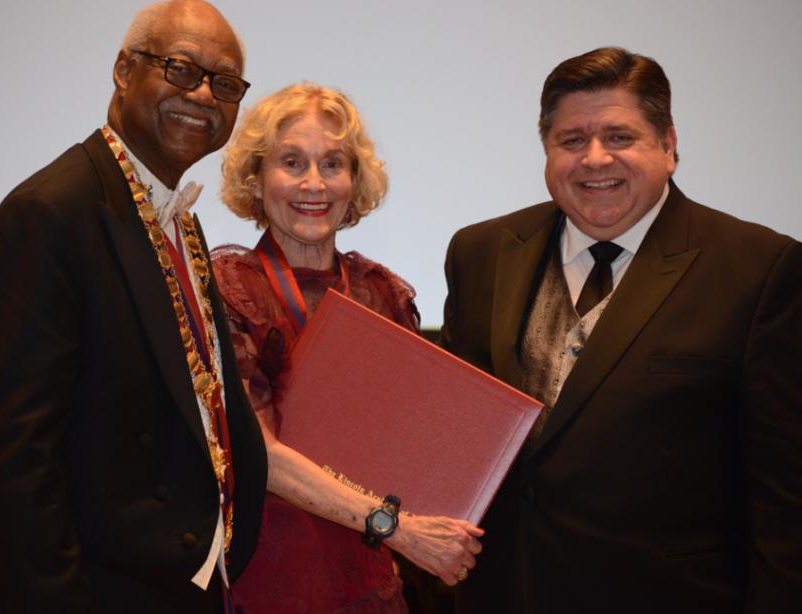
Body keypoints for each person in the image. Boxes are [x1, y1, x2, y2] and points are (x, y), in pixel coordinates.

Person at [442, 46, 802, 613]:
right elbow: (458, 441)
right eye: (571, 140)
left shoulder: (760, 268)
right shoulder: (479, 252)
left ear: (669, 144)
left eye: (619, 136)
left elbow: (785, 497)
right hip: (502, 594)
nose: (594, 159)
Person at [0, 2, 267, 612]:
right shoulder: (49, 215)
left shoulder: (184, 222)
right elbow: (14, 461)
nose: (203, 95)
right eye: (180, 69)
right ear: (124, 70)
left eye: (225, 83)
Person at [213, 82, 483, 613]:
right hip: (268, 576)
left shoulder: (380, 293)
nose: (314, 183)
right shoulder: (228, 287)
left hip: (368, 577)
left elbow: (409, 444)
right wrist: (398, 530)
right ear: (257, 178)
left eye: (333, 163)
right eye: (292, 162)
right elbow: (258, 453)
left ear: (355, 181)